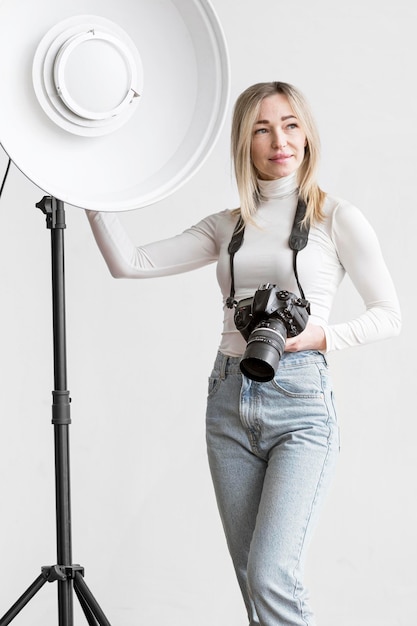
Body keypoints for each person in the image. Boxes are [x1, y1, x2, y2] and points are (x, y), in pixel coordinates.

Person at [86, 82, 401, 626]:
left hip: (300, 401)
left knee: (270, 575)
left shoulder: (335, 218)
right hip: (228, 397)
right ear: (244, 142)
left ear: (307, 136)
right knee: (250, 582)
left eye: (291, 125)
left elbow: (389, 315)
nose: (279, 140)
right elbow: (129, 261)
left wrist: (320, 336)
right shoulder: (227, 225)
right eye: (262, 128)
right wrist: (84, 185)